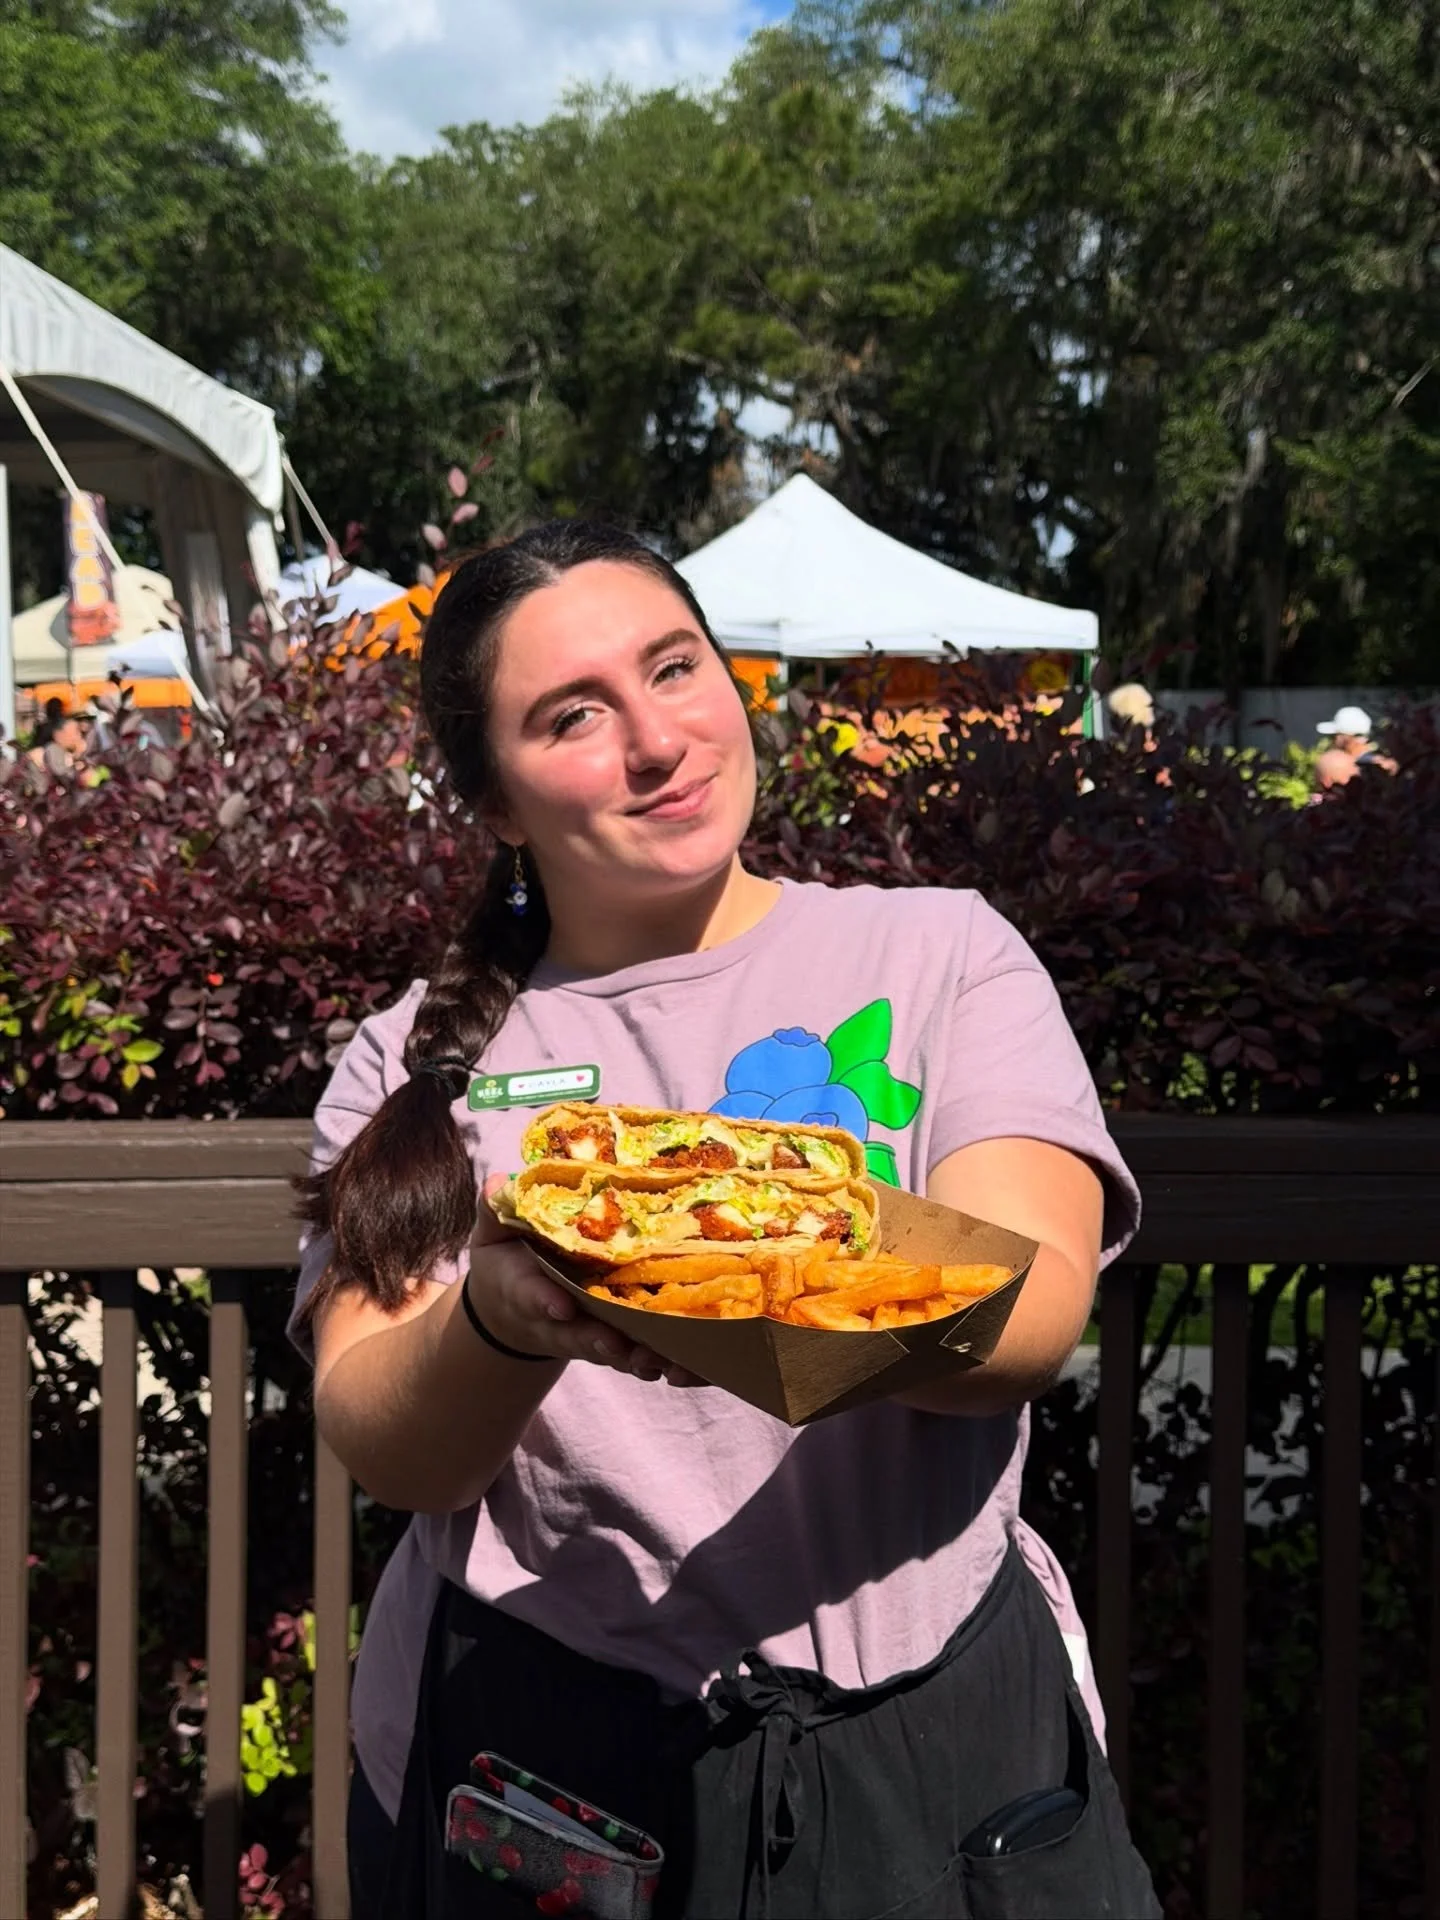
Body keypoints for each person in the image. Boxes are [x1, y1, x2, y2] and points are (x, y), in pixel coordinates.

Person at [292, 523, 1161, 1920]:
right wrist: (504, 1320)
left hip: (930, 1731)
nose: (657, 740)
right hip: (556, 1753)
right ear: (493, 801)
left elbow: (1034, 1319)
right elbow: (395, 1444)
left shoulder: (941, 954)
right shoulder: (409, 1066)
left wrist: (742, 1251)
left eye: (675, 668)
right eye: (573, 715)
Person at [1315, 703, 1396, 773]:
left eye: (1334, 736)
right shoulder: (1378, 762)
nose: (1332, 741)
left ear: (1346, 737)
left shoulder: (1367, 767)